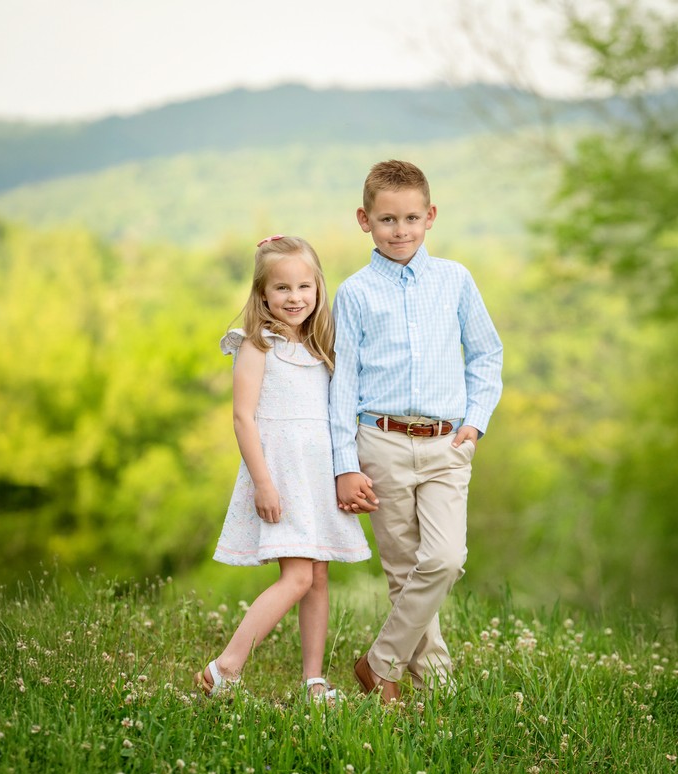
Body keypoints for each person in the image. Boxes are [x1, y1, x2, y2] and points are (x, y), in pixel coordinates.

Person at [329, 160, 503, 702]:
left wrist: (475, 422)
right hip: (379, 442)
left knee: (446, 559)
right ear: (365, 220)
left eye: (410, 218)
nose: (399, 230)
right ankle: (437, 687)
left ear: (430, 216)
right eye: (387, 219)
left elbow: (487, 353)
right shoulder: (354, 293)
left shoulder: (455, 280)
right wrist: (345, 464)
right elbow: (342, 385)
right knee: (404, 571)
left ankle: (379, 663)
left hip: (447, 442)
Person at [196, 235, 371, 701]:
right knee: (296, 577)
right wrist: (264, 483)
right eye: (282, 288)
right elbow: (243, 417)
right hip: (282, 475)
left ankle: (313, 680)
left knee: (317, 577)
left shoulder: (319, 347)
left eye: (304, 287)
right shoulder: (257, 345)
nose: (295, 298)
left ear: (318, 288)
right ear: (262, 294)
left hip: (316, 477)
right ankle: (224, 668)